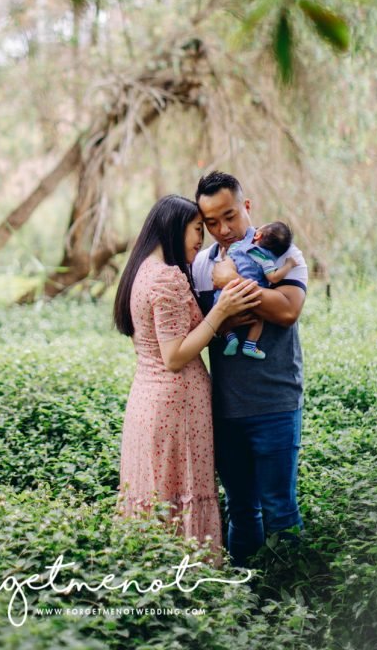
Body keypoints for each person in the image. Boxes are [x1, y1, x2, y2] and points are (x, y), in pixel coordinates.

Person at [113, 194, 261, 562]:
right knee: (180, 496)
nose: (202, 239)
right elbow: (175, 355)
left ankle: (154, 577)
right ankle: (192, 585)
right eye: (198, 229)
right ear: (175, 228)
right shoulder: (166, 278)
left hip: (147, 402)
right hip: (174, 410)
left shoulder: (140, 271)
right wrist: (221, 311)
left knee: (155, 497)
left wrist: (222, 320)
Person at [193, 172, 308, 566]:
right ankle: (246, 596)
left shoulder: (279, 251)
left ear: (247, 206)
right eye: (210, 222)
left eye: (229, 216)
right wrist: (227, 302)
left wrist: (234, 283)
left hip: (275, 401)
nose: (222, 230)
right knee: (241, 509)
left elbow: (289, 310)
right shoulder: (201, 265)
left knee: (280, 508)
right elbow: (205, 330)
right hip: (225, 409)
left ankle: (295, 594)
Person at [216, 221, 302, 360]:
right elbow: (273, 278)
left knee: (222, 316)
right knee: (258, 319)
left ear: (257, 235)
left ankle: (230, 337)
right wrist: (288, 265)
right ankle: (250, 345)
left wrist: (223, 256)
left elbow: (226, 262)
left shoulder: (236, 247)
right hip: (249, 296)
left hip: (228, 294)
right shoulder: (264, 258)